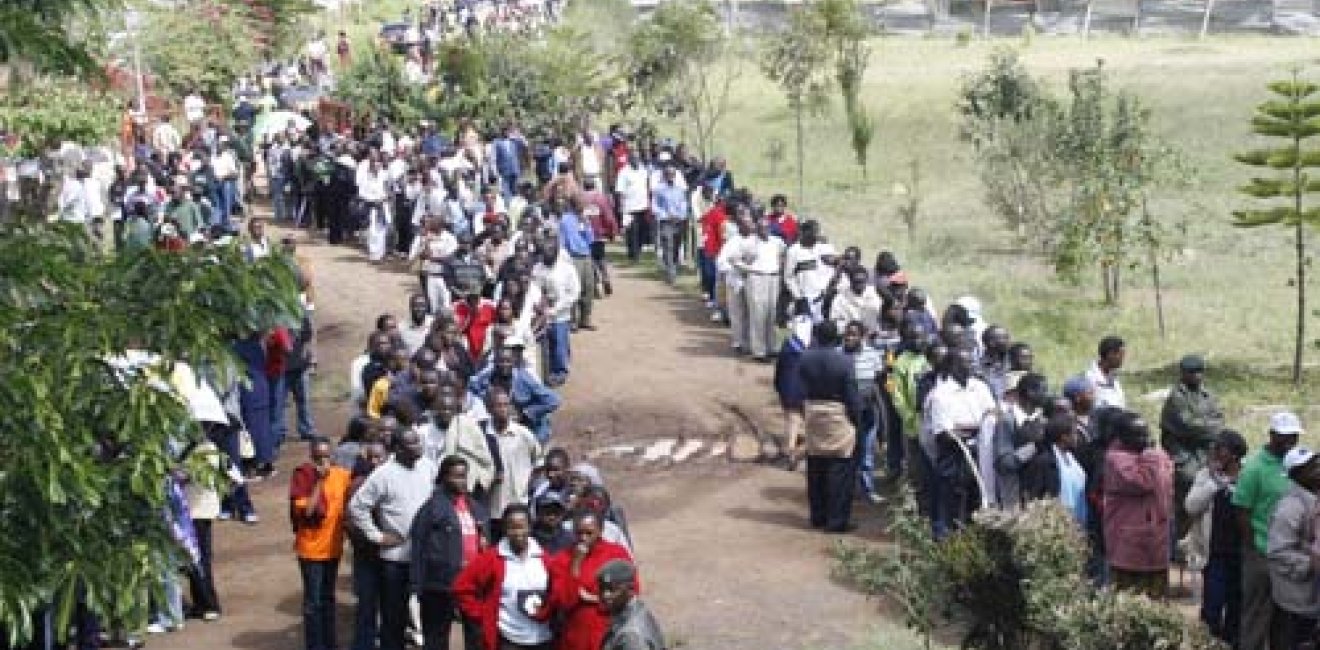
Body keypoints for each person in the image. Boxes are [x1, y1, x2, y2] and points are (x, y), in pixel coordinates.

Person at [349, 428, 439, 650]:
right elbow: (357, 507)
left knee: (429, 613)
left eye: (418, 442)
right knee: (394, 618)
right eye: (412, 444)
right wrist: (377, 536)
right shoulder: (383, 474)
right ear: (398, 449)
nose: (419, 447)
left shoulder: (428, 467)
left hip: (425, 557)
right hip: (395, 560)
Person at [1234, 411, 1304, 650]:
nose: (1289, 442)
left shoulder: (1296, 465)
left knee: (1284, 617)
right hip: (1262, 552)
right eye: (1284, 436)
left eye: (1293, 436)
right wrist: (1254, 548)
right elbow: (1242, 511)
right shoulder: (1255, 468)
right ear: (1272, 435)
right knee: (1256, 615)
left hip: (1288, 555)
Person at [454, 504, 567, 650]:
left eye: (522, 527)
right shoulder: (492, 558)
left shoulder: (545, 558)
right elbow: (461, 587)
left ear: (530, 528)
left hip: (543, 637)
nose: (518, 533)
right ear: (505, 529)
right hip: (509, 638)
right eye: (512, 527)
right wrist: (483, 614)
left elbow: (558, 591)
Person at [410, 456, 488, 650]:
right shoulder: (432, 508)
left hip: (473, 583)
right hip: (440, 584)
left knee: (476, 634)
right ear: (444, 477)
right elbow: (418, 545)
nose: (462, 481)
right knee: (436, 637)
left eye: (464, 476)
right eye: (457, 476)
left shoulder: (475, 507)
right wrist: (416, 585)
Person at [1184, 430, 1248, 646]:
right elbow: (1190, 506)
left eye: (1220, 448)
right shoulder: (1205, 476)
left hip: (1241, 553)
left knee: (1236, 607)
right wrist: (1213, 484)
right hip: (1214, 554)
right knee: (1212, 607)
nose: (1214, 453)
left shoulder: (1248, 476)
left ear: (1235, 455)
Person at [289, 437, 353, 650]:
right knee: (313, 603)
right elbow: (307, 511)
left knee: (328, 598)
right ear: (311, 456)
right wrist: (319, 481)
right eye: (318, 458)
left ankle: (330, 643)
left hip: (333, 548)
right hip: (311, 551)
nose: (323, 462)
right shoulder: (303, 475)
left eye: (326, 457)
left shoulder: (342, 476)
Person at [1101, 412, 1173, 598]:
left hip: (1155, 542)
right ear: (1122, 437)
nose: (1145, 439)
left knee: (1157, 604)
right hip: (1129, 549)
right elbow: (1142, 481)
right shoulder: (1116, 459)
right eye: (1138, 435)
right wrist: (1152, 454)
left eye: (1146, 433)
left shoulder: (1150, 457)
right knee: (1129, 603)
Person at [798, 320, 861, 533]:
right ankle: (836, 521)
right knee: (840, 469)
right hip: (838, 414)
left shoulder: (805, 359)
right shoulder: (844, 362)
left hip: (813, 413)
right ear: (837, 337)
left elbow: (799, 389)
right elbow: (852, 396)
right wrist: (856, 420)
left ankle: (818, 516)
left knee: (815, 466)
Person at [1160, 354, 1225, 538]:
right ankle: (1179, 541)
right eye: (1192, 372)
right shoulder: (1176, 397)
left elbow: (1219, 420)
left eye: (1200, 372)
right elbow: (1188, 426)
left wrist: (1206, 426)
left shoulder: (1208, 395)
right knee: (1186, 494)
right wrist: (1208, 426)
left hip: (1204, 454)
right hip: (1183, 456)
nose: (1197, 376)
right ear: (1183, 374)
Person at [554, 512, 637, 650]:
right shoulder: (562, 559)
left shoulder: (616, 553)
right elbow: (563, 601)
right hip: (577, 637)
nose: (583, 538)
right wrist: (575, 564)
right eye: (579, 533)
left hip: (610, 632)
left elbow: (632, 592)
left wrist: (595, 598)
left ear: (600, 531)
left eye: (589, 533)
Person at [1266, 446, 1320, 649]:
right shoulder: (1290, 507)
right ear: (1297, 474)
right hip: (1295, 598)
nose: (1318, 470)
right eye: (1312, 467)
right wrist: (1311, 563)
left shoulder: (1313, 498)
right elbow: (1278, 552)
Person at [485, 389, 542, 536]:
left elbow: (539, 464)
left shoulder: (524, 435)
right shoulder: (482, 435)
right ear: (489, 408)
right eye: (498, 405)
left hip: (519, 507)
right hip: (493, 509)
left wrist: (526, 487)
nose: (503, 409)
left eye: (506, 405)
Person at [839, 320, 885, 504]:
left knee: (866, 453)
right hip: (845, 413)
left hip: (868, 412)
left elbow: (878, 384)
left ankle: (867, 490)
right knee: (846, 452)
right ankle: (846, 490)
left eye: (854, 334)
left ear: (862, 336)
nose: (850, 338)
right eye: (847, 334)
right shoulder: (838, 354)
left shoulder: (872, 355)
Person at [1020, 412, 1088, 525]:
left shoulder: (1073, 458)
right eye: (1074, 433)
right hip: (1058, 526)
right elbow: (1034, 498)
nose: (1077, 437)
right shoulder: (1044, 463)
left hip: (1079, 525)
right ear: (1064, 437)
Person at [598, 560, 666, 650]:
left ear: (630, 589)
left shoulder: (631, 635)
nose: (605, 595)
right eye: (602, 589)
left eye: (612, 589)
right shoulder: (637, 609)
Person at [783, 220, 837, 322]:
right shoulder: (794, 251)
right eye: (814, 232)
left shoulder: (824, 247)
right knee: (805, 330)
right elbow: (789, 277)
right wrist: (799, 297)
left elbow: (835, 265)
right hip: (806, 299)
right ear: (804, 232)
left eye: (817, 232)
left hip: (824, 297)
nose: (816, 235)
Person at [649, 165, 688, 285]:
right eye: (668, 174)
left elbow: (683, 204)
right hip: (666, 222)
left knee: (676, 246)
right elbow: (655, 206)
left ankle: (673, 265)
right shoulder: (658, 190)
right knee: (668, 246)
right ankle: (671, 273)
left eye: (673, 174)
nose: (670, 176)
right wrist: (666, 215)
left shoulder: (679, 190)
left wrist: (681, 215)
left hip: (678, 222)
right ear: (664, 175)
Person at [1085, 336, 1127, 409]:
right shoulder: (1089, 379)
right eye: (1121, 355)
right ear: (1110, 354)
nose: (1122, 359)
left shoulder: (1114, 379)